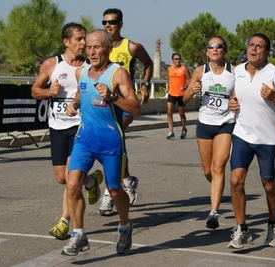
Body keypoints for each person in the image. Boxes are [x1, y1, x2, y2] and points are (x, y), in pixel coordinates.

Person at [62, 29, 141, 256]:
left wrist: (113, 97)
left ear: (108, 48)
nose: (92, 51)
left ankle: (125, 227)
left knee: (115, 190)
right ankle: (78, 235)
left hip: (110, 141)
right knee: (72, 182)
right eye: (88, 47)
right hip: (85, 138)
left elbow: (135, 108)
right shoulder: (82, 72)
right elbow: (81, 92)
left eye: (97, 47)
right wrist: (74, 105)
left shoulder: (118, 74)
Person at [228, 33, 275, 249]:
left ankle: (273, 224)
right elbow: (233, 95)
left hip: (267, 139)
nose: (254, 49)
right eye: (251, 45)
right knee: (235, 181)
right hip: (241, 135)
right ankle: (242, 229)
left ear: (266, 52)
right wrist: (231, 102)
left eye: (259, 46)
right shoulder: (237, 71)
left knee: (269, 186)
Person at [31, 22, 98, 241]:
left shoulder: (89, 67)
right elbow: (34, 90)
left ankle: (65, 223)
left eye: (84, 38)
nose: (83, 43)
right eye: (79, 39)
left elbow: (88, 92)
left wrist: (77, 102)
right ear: (66, 42)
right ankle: (92, 182)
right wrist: (47, 91)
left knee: (71, 176)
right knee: (62, 178)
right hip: (57, 126)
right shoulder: (52, 64)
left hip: (81, 127)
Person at [98, 8, 153, 215]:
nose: (107, 25)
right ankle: (127, 180)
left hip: (124, 103)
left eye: (111, 22)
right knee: (115, 145)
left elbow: (148, 63)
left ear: (121, 24)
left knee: (114, 143)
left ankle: (108, 193)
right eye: (104, 22)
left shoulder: (132, 47)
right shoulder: (99, 47)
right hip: (104, 103)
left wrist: (145, 85)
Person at [183, 36, 235, 229]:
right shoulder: (200, 71)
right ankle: (216, 187)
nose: (215, 49)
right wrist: (192, 91)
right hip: (205, 123)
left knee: (218, 167)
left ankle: (214, 212)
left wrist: (236, 102)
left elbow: (238, 96)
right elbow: (184, 98)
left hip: (226, 123)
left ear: (224, 50)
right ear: (207, 51)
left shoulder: (233, 72)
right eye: (211, 47)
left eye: (219, 46)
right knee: (208, 171)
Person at [166, 53, 191, 139]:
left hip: (181, 94)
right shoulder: (169, 68)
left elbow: (189, 79)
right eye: (176, 59)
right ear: (172, 60)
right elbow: (168, 79)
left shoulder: (184, 69)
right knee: (169, 112)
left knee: (181, 113)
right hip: (172, 93)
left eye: (179, 59)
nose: (178, 60)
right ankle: (170, 131)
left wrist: (185, 87)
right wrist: (167, 88)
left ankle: (184, 129)